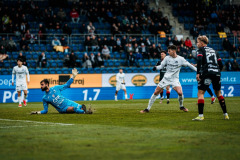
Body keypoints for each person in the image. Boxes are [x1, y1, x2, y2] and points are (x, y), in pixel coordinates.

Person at [140, 45, 197, 113]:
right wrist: (156, 67)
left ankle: (181, 106)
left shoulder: (181, 59)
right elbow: (161, 66)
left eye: (169, 51)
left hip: (175, 79)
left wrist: (197, 71)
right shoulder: (167, 58)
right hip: (166, 78)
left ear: (174, 51)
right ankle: (147, 109)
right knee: (156, 92)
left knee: (180, 92)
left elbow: (189, 65)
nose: (168, 52)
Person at [193, 35, 229, 121]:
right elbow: (220, 64)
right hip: (217, 73)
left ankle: (201, 116)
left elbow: (199, 60)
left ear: (201, 43)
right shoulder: (214, 51)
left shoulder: (201, 50)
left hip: (207, 73)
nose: (197, 44)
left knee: (201, 93)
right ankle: (226, 114)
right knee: (219, 93)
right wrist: (217, 71)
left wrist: (198, 73)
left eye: (197, 42)